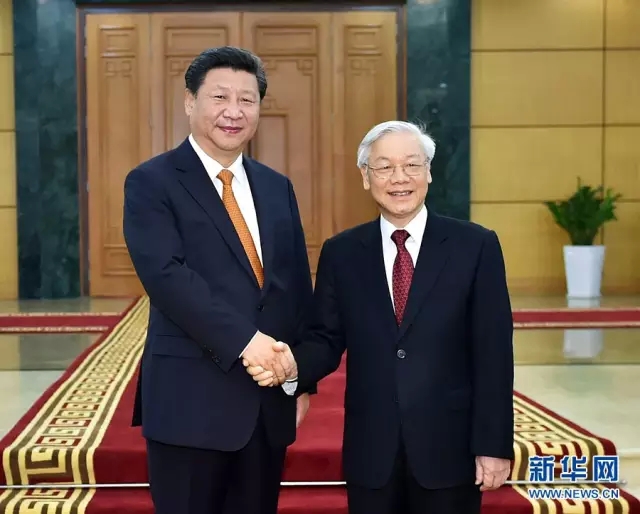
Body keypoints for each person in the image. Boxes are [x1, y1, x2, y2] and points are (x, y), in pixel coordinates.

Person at [245, 121, 515, 514]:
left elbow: (494, 354)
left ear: (428, 172)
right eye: (384, 167)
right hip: (372, 453)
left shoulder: (476, 246)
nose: (399, 178)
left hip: (450, 450)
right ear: (365, 176)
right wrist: (291, 367)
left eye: (411, 165)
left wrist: (493, 444)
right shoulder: (342, 253)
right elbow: (325, 338)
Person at [122, 46, 315, 514]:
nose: (234, 111)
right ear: (190, 101)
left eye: (247, 100)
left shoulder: (276, 186)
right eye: (220, 97)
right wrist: (248, 343)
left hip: (267, 402)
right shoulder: (152, 182)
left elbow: (294, 286)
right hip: (190, 402)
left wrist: (301, 376)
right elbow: (167, 278)